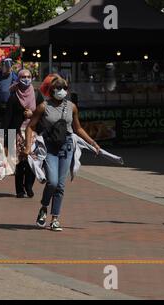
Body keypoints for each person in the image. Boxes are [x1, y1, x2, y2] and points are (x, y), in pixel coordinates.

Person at [25, 75, 100, 232]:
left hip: (66, 147)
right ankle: (44, 207)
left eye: (65, 88)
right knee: (51, 182)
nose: (62, 91)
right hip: (50, 147)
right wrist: (28, 146)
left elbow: (78, 128)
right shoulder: (43, 107)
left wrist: (92, 142)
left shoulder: (72, 107)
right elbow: (30, 126)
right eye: (58, 88)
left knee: (60, 185)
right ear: (52, 90)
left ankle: (55, 218)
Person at [4, 69, 44, 198]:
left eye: (28, 76)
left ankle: (29, 186)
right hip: (18, 133)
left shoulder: (37, 95)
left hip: (33, 132)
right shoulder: (13, 96)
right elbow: (8, 118)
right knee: (20, 162)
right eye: (23, 77)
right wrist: (4, 140)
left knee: (32, 161)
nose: (26, 79)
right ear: (19, 78)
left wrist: (33, 115)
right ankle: (19, 190)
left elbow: (44, 114)